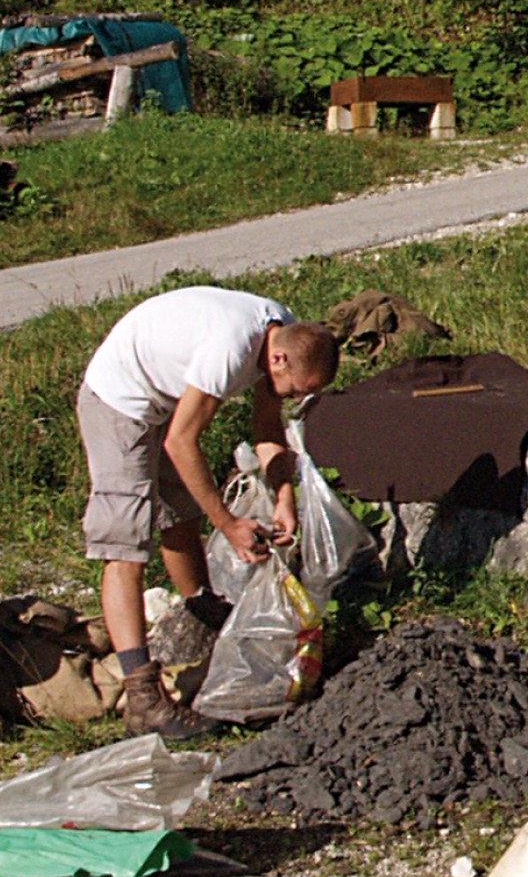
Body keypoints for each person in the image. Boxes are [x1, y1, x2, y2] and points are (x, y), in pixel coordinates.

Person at [75, 287, 340, 736]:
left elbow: (266, 428)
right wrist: (229, 524)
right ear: (279, 360)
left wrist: (284, 499)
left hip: (167, 398)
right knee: (126, 547)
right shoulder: (230, 349)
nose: (298, 398)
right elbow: (180, 442)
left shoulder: (283, 334)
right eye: (301, 389)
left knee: (180, 512)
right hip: (119, 400)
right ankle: (142, 697)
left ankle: (204, 613)